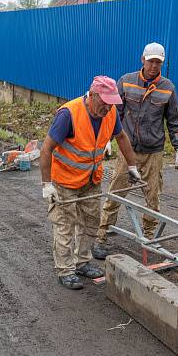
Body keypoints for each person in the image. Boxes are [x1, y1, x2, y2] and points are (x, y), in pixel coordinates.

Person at [40, 76, 142, 290]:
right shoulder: (69, 114)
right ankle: (65, 270)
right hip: (65, 180)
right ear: (93, 95)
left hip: (91, 178)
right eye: (105, 101)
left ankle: (82, 262)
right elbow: (47, 149)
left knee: (90, 222)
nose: (108, 107)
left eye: (112, 102)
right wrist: (46, 184)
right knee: (65, 225)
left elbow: (121, 137)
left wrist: (132, 166)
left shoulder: (110, 112)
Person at [92, 42, 178, 258]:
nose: (154, 65)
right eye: (151, 61)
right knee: (116, 193)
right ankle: (102, 236)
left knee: (153, 197)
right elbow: (112, 113)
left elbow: (174, 120)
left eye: (158, 62)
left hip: (154, 151)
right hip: (128, 150)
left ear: (163, 63)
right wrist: (107, 139)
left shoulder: (168, 87)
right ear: (142, 59)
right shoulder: (126, 81)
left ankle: (150, 238)